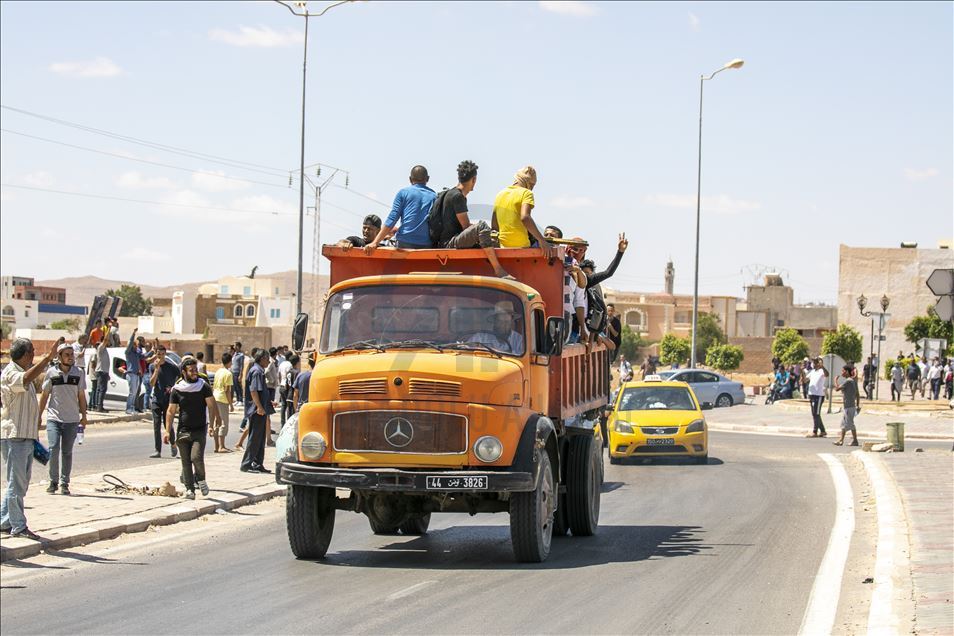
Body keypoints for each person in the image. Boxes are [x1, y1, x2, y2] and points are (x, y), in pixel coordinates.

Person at [1, 337, 63, 540]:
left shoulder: (21, 371)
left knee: (20, 482)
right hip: (15, 436)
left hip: (25, 435)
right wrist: (47, 358)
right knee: (16, 483)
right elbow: (26, 379)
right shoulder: (11, 372)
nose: (33, 356)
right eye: (32, 352)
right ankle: (18, 526)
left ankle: (4, 521)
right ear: (26, 354)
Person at [436, 160, 514, 279]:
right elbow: (466, 226)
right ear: (474, 179)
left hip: (446, 241)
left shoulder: (451, 193)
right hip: (449, 243)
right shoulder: (458, 197)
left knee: (484, 232)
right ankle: (498, 269)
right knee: (482, 226)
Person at [164, 356, 220, 500]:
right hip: (183, 430)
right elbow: (171, 411)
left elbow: (211, 406)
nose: (195, 372)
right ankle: (190, 490)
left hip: (199, 429)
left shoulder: (203, 386)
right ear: (184, 372)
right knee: (185, 462)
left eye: (196, 369)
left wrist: (212, 424)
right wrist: (167, 431)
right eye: (191, 370)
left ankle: (201, 479)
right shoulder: (177, 389)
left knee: (196, 457)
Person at [38, 343, 88, 496]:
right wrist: (38, 416)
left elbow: (81, 396)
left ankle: (64, 483)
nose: (70, 357)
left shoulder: (79, 373)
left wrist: (84, 416)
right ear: (59, 356)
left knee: (67, 452)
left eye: (72, 354)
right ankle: (53, 481)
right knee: (53, 449)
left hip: (72, 419)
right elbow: (45, 395)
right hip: (54, 418)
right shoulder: (51, 373)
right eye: (67, 355)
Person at [365, 165, 436, 250]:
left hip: (404, 242)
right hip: (426, 244)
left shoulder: (403, 193)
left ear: (410, 179)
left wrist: (375, 242)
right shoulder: (434, 196)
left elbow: (392, 218)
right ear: (427, 179)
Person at [491, 166, 556, 259]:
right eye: (532, 185)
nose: (532, 188)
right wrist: (541, 240)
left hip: (503, 246)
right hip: (522, 246)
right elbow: (525, 217)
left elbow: (494, 225)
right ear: (529, 182)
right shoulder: (526, 193)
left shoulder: (500, 194)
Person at [241, 349, 274, 473]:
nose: (268, 361)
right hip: (256, 411)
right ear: (262, 359)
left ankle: (258, 463)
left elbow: (260, 392)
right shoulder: (256, 371)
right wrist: (259, 407)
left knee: (260, 438)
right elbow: (253, 391)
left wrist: (268, 402)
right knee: (255, 438)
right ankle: (246, 464)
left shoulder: (259, 371)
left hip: (261, 409)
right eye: (267, 359)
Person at [148, 344, 181, 458]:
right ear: (155, 354)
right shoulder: (152, 367)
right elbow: (152, 383)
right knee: (156, 424)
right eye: (158, 354)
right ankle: (157, 450)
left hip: (168, 399)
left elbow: (180, 378)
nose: (160, 356)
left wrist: (174, 388)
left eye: (162, 354)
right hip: (156, 399)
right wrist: (157, 369)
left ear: (165, 354)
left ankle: (173, 444)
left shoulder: (171, 367)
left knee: (168, 424)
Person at [211, 353, 234, 453]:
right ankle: (221, 446)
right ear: (230, 362)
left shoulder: (218, 371)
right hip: (222, 399)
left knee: (217, 422)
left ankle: (216, 446)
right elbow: (227, 390)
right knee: (224, 423)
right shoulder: (228, 374)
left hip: (215, 397)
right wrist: (231, 404)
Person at [833, 365, 860, 446]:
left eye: (843, 371)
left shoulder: (848, 381)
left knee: (850, 423)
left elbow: (837, 389)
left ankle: (855, 440)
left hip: (849, 406)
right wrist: (857, 405)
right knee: (844, 424)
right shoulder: (853, 381)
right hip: (849, 406)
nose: (842, 373)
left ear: (847, 372)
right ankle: (841, 440)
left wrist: (835, 380)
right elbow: (857, 394)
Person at [124, 329, 146, 415]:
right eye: (134, 345)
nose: (136, 346)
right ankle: (128, 408)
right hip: (131, 374)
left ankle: (132, 408)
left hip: (136, 374)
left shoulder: (136, 353)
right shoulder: (128, 352)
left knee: (135, 392)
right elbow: (130, 344)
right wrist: (133, 334)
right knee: (132, 392)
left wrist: (153, 351)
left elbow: (144, 357)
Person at [806, 357, 829, 437]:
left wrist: (822, 367)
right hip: (811, 395)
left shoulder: (822, 371)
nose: (814, 364)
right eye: (814, 362)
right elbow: (805, 380)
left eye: (816, 362)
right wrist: (802, 371)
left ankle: (815, 432)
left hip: (818, 395)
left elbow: (827, 374)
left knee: (816, 413)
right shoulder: (812, 372)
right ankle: (823, 431)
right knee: (814, 414)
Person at [279, 354, 299, 426]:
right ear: (297, 362)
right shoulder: (296, 373)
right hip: (293, 396)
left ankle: (286, 426)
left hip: (288, 395)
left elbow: (287, 385)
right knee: (293, 416)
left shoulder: (289, 372)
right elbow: (296, 386)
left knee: (289, 414)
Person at [92, 333, 110, 412]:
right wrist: (109, 329)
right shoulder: (101, 347)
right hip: (101, 371)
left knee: (101, 389)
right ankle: (99, 406)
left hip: (104, 371)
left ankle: (99, 406)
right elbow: (105, 339)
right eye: (108, 340)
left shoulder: (104, 349)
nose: (108, 342)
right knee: (101, 389)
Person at [230, 342, 245, 406]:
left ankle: (241, 400)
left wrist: (240, 374)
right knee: (235, 386)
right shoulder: (234, 354)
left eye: (235, 345)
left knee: (238, 386)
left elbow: (241, 365)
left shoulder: (241, 355)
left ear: (238, 346)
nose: (234, 347)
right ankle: (238, 399)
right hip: (233, 372)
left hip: (237, 372)